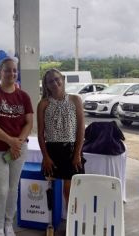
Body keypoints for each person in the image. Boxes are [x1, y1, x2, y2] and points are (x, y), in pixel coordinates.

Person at [0, 57, 33, 236]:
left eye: (14, 70)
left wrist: (17, 143)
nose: (12, 73)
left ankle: (8, 223)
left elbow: (28, 123)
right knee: (1, 190)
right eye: (7, 70)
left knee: (13, 188)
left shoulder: (23, 96)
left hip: (18, 148)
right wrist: (11, 141)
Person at [37, 68, 85, 209]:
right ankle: (52, 223)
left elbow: (81, 130)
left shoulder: (75, 100)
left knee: (70, 191)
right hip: (52, 151)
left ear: (63, 79)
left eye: (57, 79)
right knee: (50, 189)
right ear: (46, 85)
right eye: (50, 81)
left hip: (71, 150)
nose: (55, 83)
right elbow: (40, 134)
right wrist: (45, 157)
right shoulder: (43, 104)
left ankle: (71, 224)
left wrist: (77, 154)